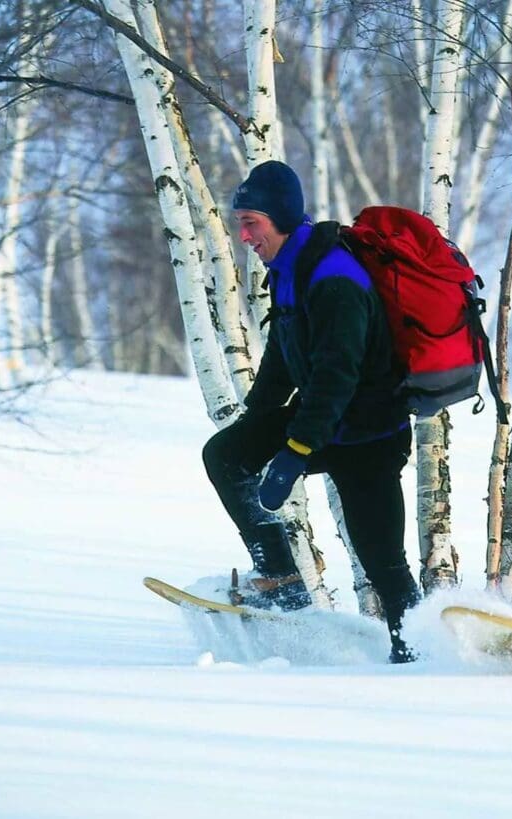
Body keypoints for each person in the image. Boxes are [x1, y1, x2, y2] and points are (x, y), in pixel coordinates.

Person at [202, 160, 420, 663]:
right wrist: (255, 421)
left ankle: (416, 657)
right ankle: (280, 575)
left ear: (280, 217)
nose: (244, 236)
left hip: (369, 437)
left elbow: (336, 376)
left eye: (251, 222)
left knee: (384, 566)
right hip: (326, 424)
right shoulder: (289, 270)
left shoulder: (335, 276)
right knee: (226, 455)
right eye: (240, 223)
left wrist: (296, 450)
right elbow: (282, 354)